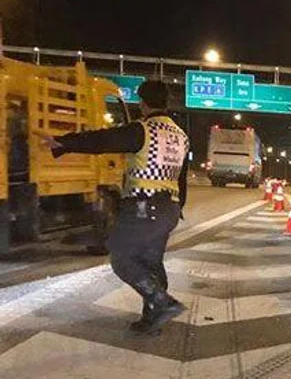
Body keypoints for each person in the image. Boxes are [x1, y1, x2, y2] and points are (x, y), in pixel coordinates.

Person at [43, 81, 189, 334]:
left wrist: (63, 142)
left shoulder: (144, 130)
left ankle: (162, 302)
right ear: (166, 103)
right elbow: (182, 178)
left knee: (121, 257)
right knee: (151, 262)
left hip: (144, 205)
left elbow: (102, 140)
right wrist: (177, 208)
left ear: (142, 103)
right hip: (169, 208)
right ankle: (153, 320)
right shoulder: (181, 136)